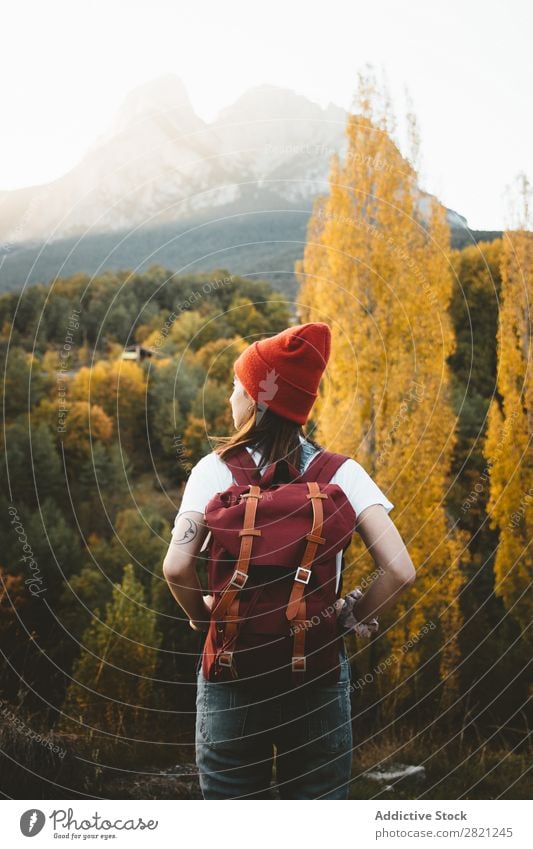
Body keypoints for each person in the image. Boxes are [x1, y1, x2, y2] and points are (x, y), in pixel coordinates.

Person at [163, 321, 416, 799]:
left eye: (237, 385)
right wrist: (351, 618)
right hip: (315, 674)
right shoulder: (343, 473)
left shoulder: (213, 470)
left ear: (259, 399)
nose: (230, 397)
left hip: (231, 674)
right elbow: (401, 570)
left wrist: (202, 620)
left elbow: (176, 568)